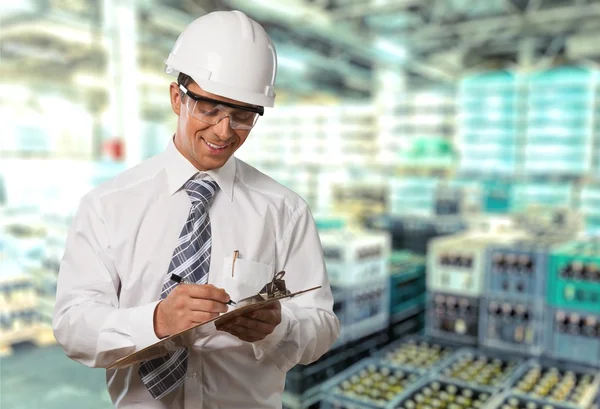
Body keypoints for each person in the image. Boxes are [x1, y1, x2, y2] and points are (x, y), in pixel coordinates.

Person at [52, 10, 340, 409]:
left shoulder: (285, 211)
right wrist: (156, 322)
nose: (224, 131)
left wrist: (279, 327)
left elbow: (322, 327)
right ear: (177, 98)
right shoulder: (107, 207)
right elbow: (72, 326)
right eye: (209, 108)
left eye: (242, 116)